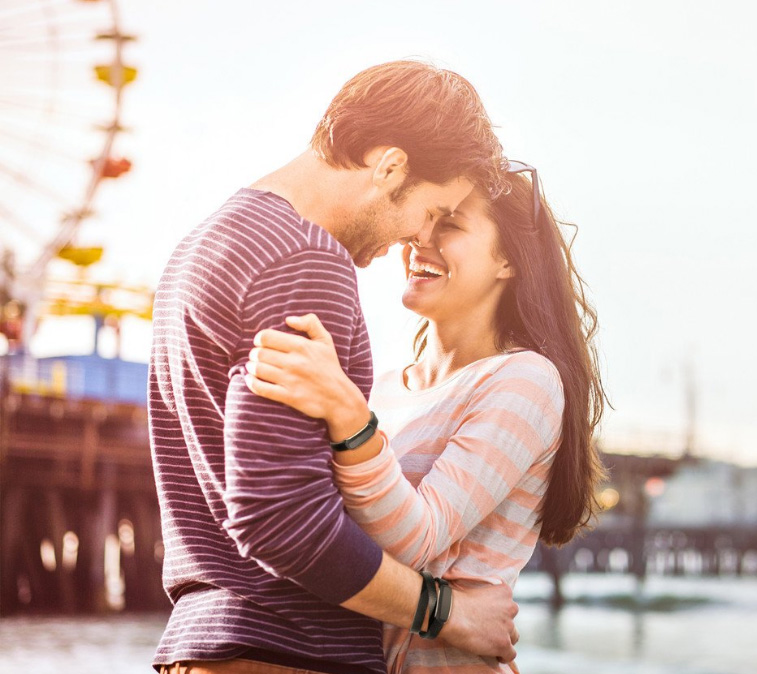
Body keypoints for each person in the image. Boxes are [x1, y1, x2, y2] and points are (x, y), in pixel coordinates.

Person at [148, 60, 520, 674]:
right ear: (391, 167)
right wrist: (448, 612)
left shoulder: (206, 242)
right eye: (431, 212)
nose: (416, 239)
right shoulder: (305, 257)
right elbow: (281, 519)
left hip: (212, 641)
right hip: (284, 649)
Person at [245, 161, 608, 673]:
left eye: (451, 225)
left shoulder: (525, 379)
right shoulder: (384, 387)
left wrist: (348, 415)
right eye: (426, 219)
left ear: (508, 261)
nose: (420, 238)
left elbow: (419, 537)